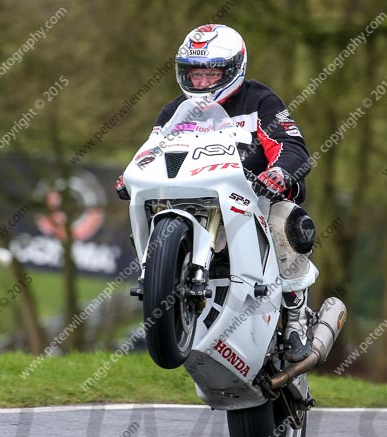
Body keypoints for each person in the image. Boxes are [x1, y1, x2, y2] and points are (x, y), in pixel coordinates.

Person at [119, 24, 318, 362]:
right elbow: (152, 151)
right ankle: (166, 284)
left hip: (252, 196)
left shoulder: (260, 101)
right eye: (194, 74)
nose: (201, 83)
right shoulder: (172, 112)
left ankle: (295, 317)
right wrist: (130, 176)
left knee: (286, 219)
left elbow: (292, 145)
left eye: (211, 73)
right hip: (190, 197)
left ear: (234, 69)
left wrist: (279, 173)